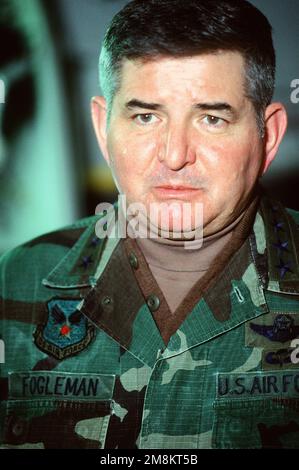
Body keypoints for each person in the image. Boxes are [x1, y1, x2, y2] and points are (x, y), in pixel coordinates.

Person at [1, 0, 299, 450]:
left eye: (211, 119)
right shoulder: (13, 280)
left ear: (268, 135)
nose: (175, 155)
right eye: (146, 116)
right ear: (103, 128)